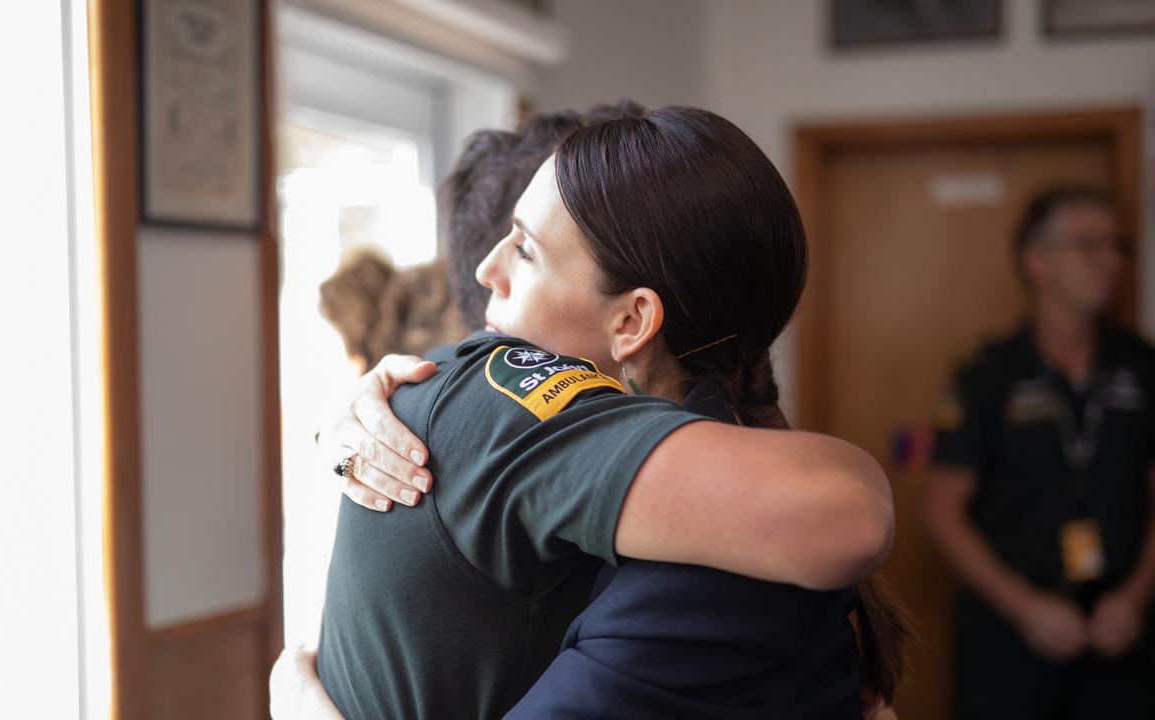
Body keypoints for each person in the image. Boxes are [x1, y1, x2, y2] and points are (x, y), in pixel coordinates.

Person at [279, 106, 901, 720]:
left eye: (525, 250)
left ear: (631, 321)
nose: (484, 269)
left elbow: (846, 509)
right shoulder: (476, 404)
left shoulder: (717, 562)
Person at [921, 187, 1155, 719]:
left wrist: (1135, 599)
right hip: (1012, 632)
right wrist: (1026, 609)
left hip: (1120, 629)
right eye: (1089, 245)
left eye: (1117, 246)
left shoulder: (1141, 366)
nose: (1110, 261)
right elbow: (940, 511)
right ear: (1037, 260)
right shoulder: (987, 374)